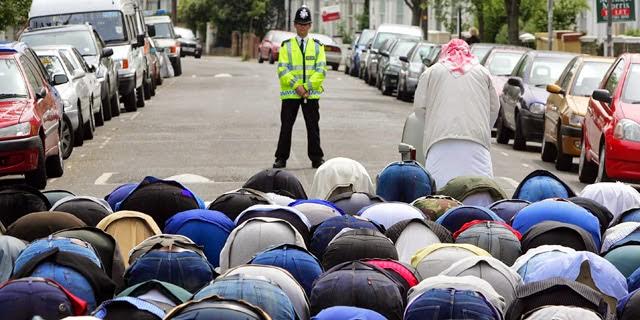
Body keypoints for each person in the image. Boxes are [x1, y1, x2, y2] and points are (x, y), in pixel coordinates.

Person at [413, 39, 499, 189]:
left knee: (439, 191)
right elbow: (494, 108)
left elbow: (420, 108)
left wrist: (432, 123)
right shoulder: (483, 73)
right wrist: (484, 127)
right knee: (480, 189)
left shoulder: (431, 72)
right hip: (476, 143)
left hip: (439, 141)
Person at [273, 6, 326, 169]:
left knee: (313, 127)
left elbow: (321, 69)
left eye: (306, 24)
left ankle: (316, 158)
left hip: (310, 93)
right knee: (286, 126)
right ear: (295, 25)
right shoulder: (286, 45)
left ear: (310, 26)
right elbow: (282, 68)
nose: (303, 27)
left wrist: (307, 87)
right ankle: (281, 158)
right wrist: (297, 86)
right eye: (300, 24)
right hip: (291, 93)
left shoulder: (318, 46)